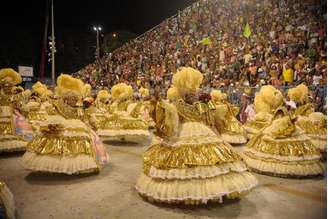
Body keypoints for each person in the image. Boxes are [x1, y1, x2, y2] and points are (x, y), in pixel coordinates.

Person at [136, 67, 257, 205]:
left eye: (194, 92)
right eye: (191, 93)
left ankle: (213, 191)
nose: (193, 94)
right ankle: (189, 193)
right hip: (182, 134)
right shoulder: (178, 105)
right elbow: (171, 120)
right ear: (184, 93)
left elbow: (212, 118)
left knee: (212, 161)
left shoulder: (201, 105)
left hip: (203, 133)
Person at [22, 74, 109, 174]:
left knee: (82, 143)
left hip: (78, 127)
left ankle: (80, 165)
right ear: (65, 98)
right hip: (63, 125)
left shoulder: (79, 109)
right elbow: (52, 114)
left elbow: (85, 118)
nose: (73, 100)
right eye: (71, 98)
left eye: (75, 98)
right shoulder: (58, 106)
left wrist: (93, 124)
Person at [243, 85, 324, 177]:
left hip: (284, 126)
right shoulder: (284, 108)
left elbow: (288, 116)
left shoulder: (287, 107)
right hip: (282, 125)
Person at [0, 68, 33, 153]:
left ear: (12, 85)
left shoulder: (16, 95)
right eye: (5, 85)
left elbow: (21, 105)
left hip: (14, 114)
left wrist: (22, 109)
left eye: (9, 85)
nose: (7, 87)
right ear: (1, 85)